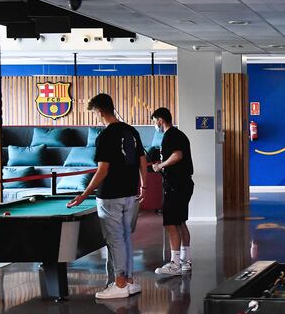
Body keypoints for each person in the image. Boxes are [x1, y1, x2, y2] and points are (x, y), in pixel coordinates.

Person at [67, 93, 148, 299]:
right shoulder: (131, 131)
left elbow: (103, 170)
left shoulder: (104, 136)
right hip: (130, 193)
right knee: (125, 237)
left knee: (115, 239)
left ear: (100, 112)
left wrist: (84, 195)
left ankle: (120, 283)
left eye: (94, 113)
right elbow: (142, 161)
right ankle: (128, 281)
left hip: (110, 194)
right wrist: (144, 186)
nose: (95, 117)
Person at [150, 107, 194, 276]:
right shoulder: (178, 134)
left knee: (170, 223)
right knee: (180, 221)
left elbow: (177, 155)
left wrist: (160, 165)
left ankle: (175, 264)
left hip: (176, 185)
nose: (155, 125)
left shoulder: (170, 135)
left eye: (155, 121)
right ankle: (186, 260)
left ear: (161, 119)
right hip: (183, 183)